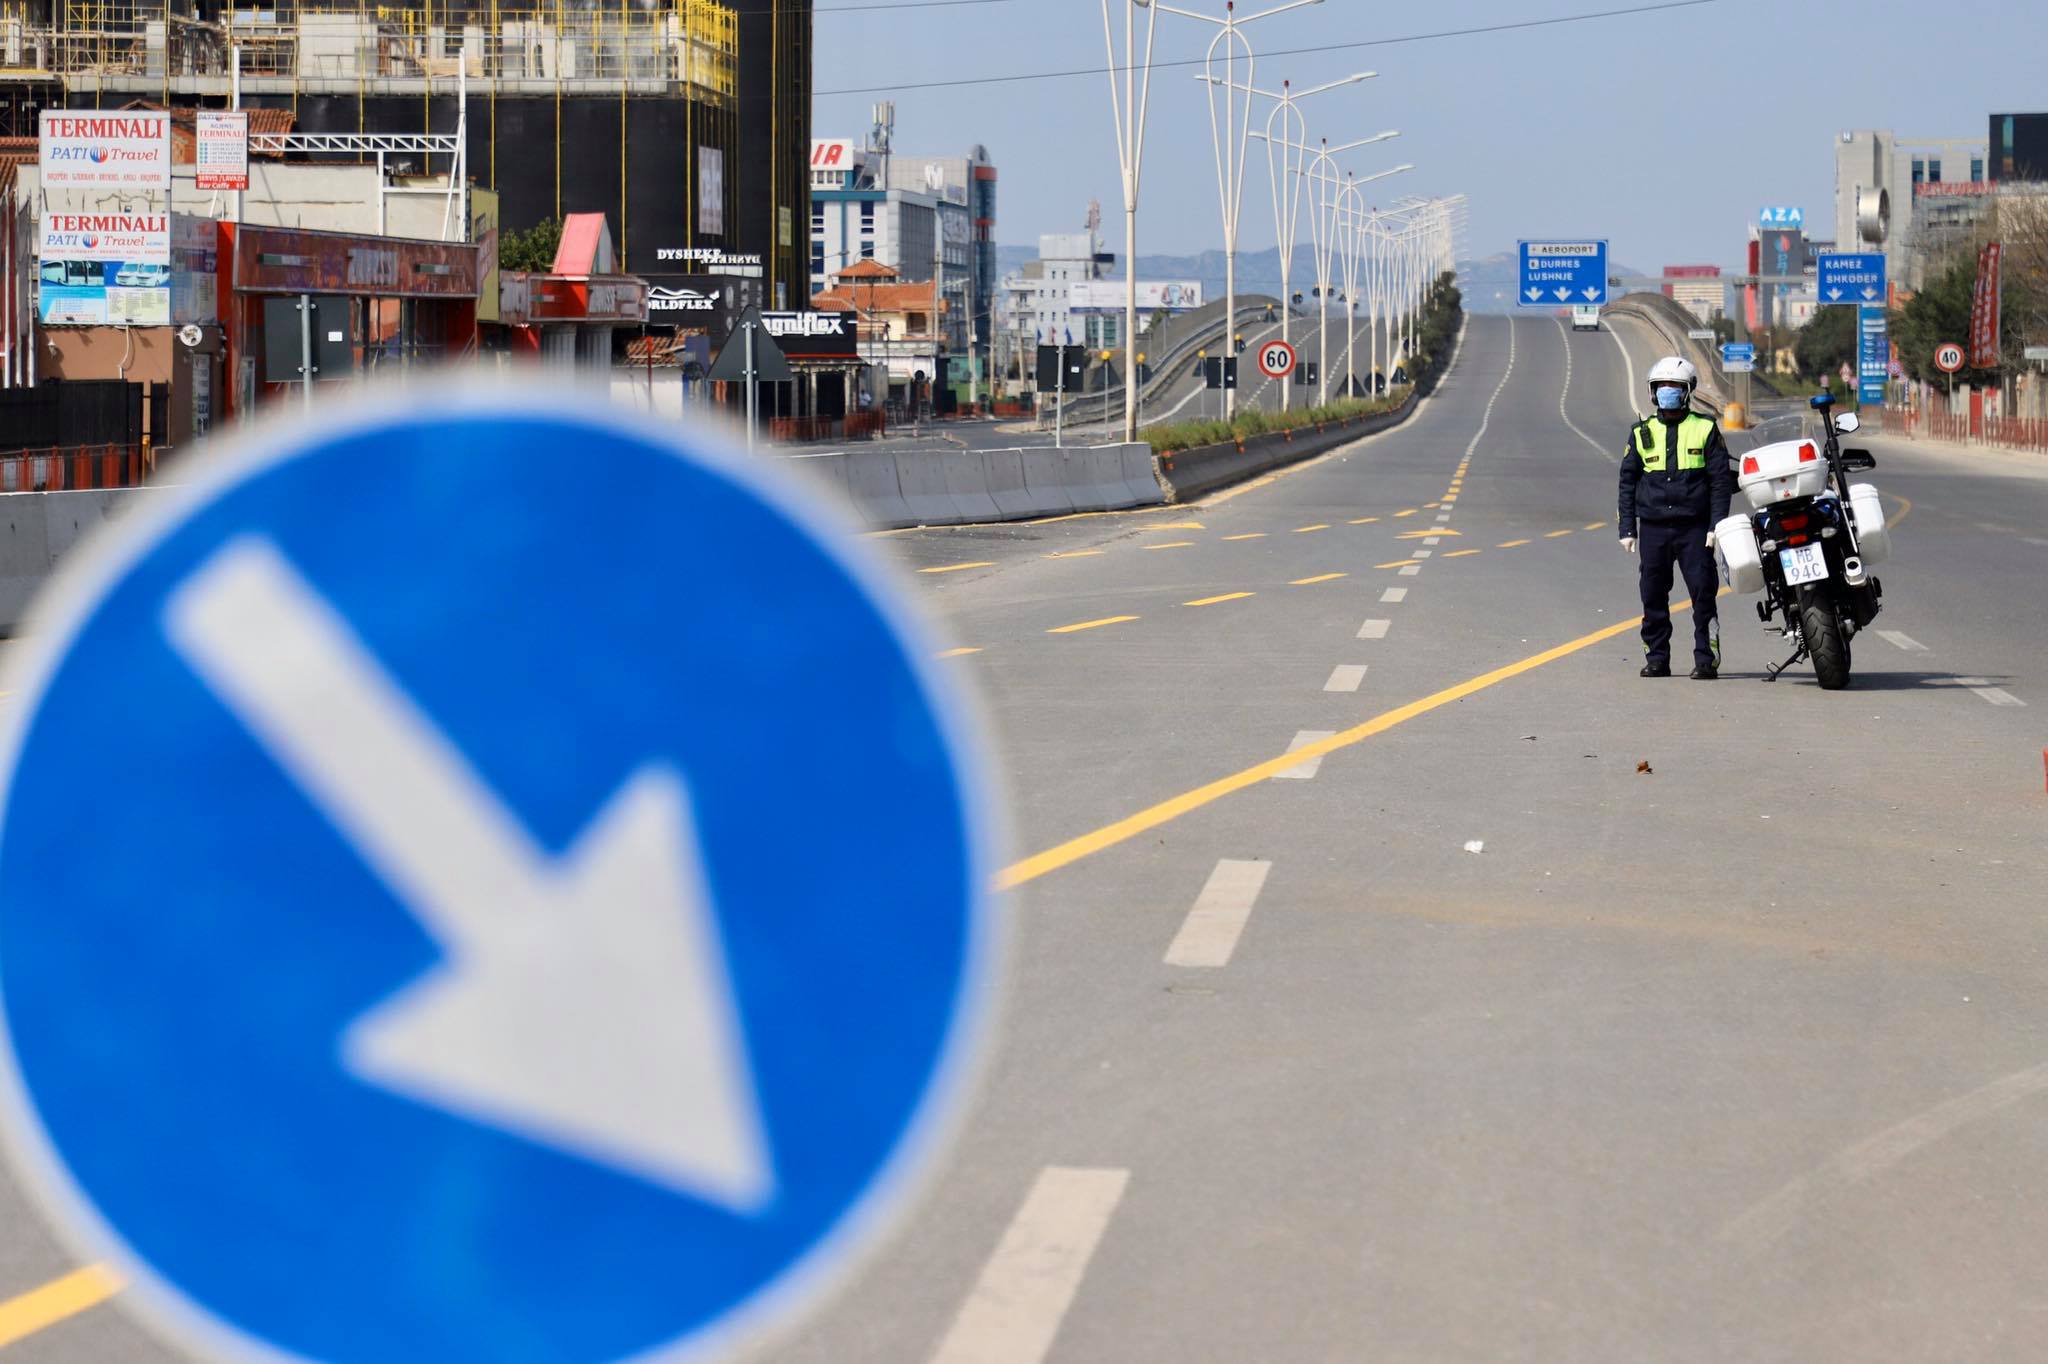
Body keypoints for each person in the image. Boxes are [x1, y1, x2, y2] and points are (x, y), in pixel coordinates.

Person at [1618, 356, 1734, 680]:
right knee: (1652, 595)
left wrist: (1716, 525)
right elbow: (1627, 482)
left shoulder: (1705, 428)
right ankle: (1656, 658)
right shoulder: (1641, 433)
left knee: (1702, 594)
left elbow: (1721, 482)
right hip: (1653, 528)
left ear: (1687, 391)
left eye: (1675, 386)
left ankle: (1706, 659)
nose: (1667, 391)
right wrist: (1626, 527)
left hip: (1694, 529)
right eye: (1662, 386)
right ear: (1653, 392)